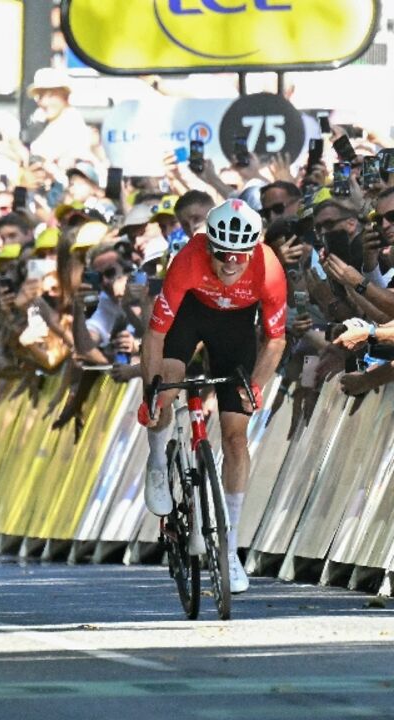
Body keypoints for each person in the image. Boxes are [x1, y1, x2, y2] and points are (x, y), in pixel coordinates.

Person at [139, 199, 287, 594]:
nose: (229, 265)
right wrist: (151, 391)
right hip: (190, 314)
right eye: (221, 255)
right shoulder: (187, 260)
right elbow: (154, 335)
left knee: (236, 434)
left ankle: (230, 549)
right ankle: (157, 460)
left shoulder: (269, 267)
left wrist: (254, 386)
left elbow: (275, 341)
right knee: (167, 385)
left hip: (236, 328)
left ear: (253, 250)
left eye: (239, 257)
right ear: (208, 247)